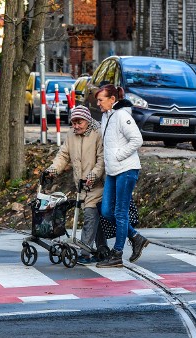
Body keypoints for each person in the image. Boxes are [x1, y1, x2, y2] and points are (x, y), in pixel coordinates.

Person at [94, 84, 149, 268]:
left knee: (120, 212)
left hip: (126, 170)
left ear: (112, 99)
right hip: (113, 171)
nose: (98, 103)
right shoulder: (105, 116)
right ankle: (135, 236)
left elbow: (137, 140)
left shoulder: (122, 116)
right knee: (107, 211)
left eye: (101, 100)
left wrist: (118, 155)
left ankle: (117, 254)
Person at [46, 105, 106, 264]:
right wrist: (52, 170)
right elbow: (63, 155)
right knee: (94, 218)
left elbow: (102, 159)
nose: (76, 126)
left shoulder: (97, 133)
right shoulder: (71, 135)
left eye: (79, 123)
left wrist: (93, 175)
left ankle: (85, 252)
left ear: (87, 121)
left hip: (97, 184)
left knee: (90, 214)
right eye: (73, 123)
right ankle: (102, 250)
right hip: (81, 184)